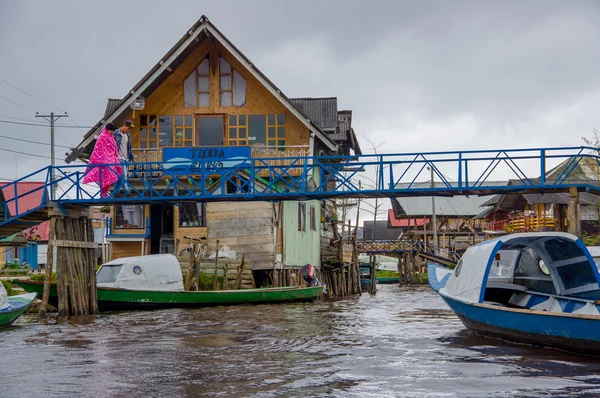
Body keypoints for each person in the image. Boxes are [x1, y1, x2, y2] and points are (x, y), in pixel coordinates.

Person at [82, 123, 122, 198]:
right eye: (111, 131)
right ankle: (103, 193)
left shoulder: (111, 137)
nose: (112, 132)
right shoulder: (102, 137)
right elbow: (99, 149)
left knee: (112, 175)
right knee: (105, 176)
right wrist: (103, 159)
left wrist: (115, 157)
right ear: (108, 129)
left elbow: (113, 148)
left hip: (111, 159)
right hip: (103, 160)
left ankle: (104, 193)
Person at [113, 120, 135, 196]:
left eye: (129, 129)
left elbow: (129, 148)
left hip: (126, 158)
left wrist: (132, 157)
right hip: (119, 158)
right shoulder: (115, 134)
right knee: (124, 175)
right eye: (128, 128)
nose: (128, 130)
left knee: (119, 177)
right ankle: (127, 191)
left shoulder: (128, 135)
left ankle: (115, 193)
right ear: (124, 125)